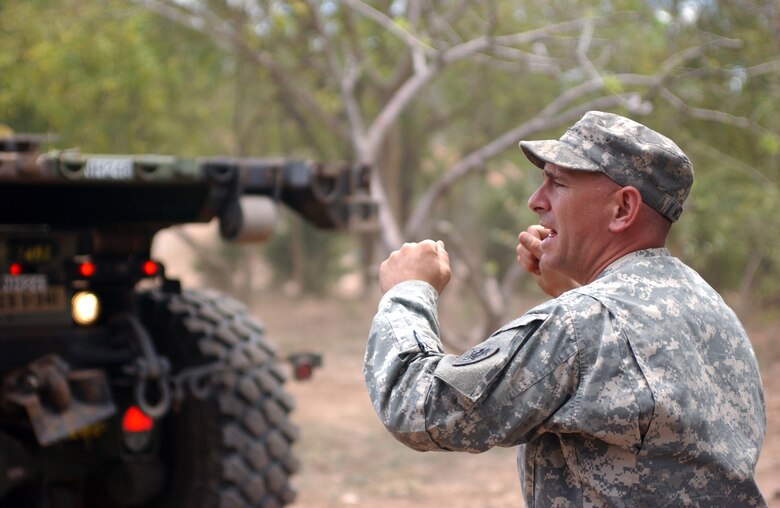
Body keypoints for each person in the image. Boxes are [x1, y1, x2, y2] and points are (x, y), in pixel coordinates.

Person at [363, 111, 767, 507]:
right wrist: (576, 289)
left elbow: (418, 408)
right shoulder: (708, 306)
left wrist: (409, 291)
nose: (536, 201)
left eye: (558, 183)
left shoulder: (583, 322)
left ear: (623, 209)